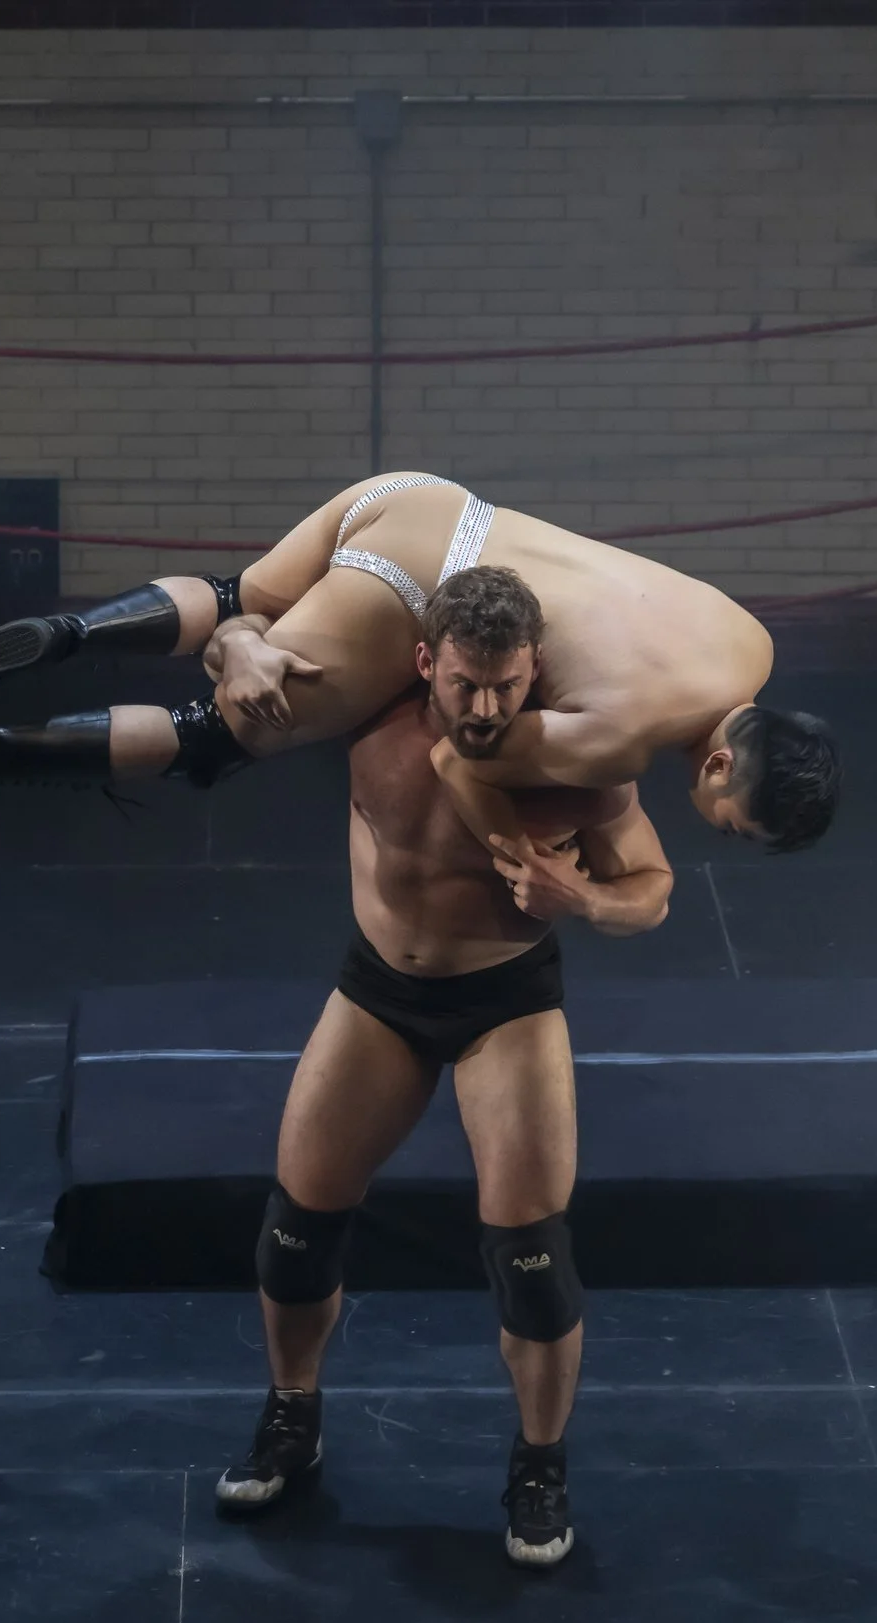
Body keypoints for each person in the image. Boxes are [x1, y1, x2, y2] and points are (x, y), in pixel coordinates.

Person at [209, 567, 674, 1569]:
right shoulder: (367, 705)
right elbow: (235, 624)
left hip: (505, 1005)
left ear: (532, 669)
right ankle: (293, 1414)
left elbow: (653, 888)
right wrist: (240, 643)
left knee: (533, 1263)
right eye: (466, 684)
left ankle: (539, 1464)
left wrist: (582, 900)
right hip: (378, 992)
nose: (487, 707)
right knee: (294, 1235)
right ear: (425, 661)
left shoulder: (569, 755)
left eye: (507, 684)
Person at [0, 471, 837, 862]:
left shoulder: (749, 637)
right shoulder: (622, 742)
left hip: (422, 497)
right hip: (421, 589)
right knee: (220, 731)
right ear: (719, 768)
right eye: (737, 827)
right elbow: (465, 744)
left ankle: (63, 634)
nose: (723, 838)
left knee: (236, 600)